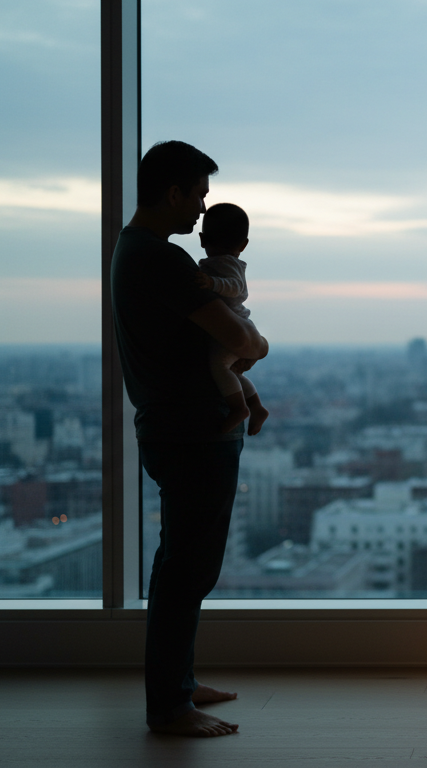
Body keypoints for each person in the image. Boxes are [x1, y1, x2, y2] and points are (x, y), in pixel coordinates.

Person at [111, 140, 269, 737]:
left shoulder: (134, 252)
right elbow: (242, 339)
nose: (203, 210)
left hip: (173, 426)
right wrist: (255, 348)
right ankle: (170, 706)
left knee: (183, 561)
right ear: (173, 192)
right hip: (193, 433)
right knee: (187, 568)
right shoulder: (163, 261)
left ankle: (178, 683)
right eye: (199, 196)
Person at [193, 202, 270, 435]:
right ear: (244, 245)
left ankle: (239, 409)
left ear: (202, 239)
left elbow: (237, 288)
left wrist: (212, 283)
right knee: (231, 373)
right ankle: (255, 406)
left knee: (219, 367)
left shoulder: (224, 263)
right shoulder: (226, 261)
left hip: (234, 326)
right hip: (238, 327)